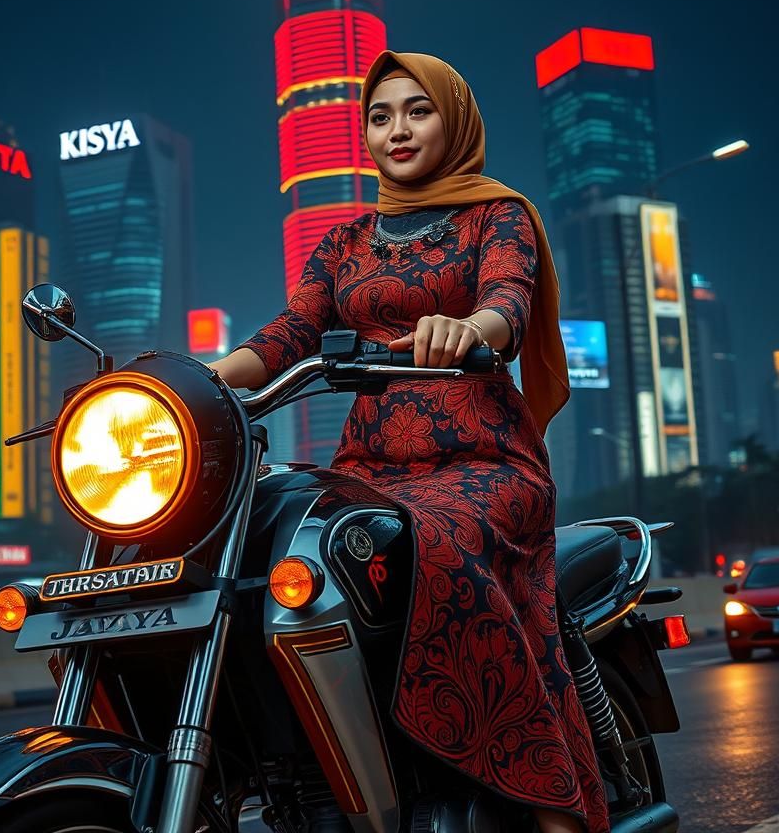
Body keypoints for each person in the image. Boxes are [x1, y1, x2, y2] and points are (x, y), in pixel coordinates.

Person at [212, 50, 609, 833]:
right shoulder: (344, 242)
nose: (397, 129)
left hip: (482, 459)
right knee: (264, 551)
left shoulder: (499, 215)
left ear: (453, 118)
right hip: (368, 466)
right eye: (380, 114)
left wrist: (471, 328)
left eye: (417, 110)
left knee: (442, 542)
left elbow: (507, 299)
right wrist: (186, 381)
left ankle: (549, 800)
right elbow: (289, 332)